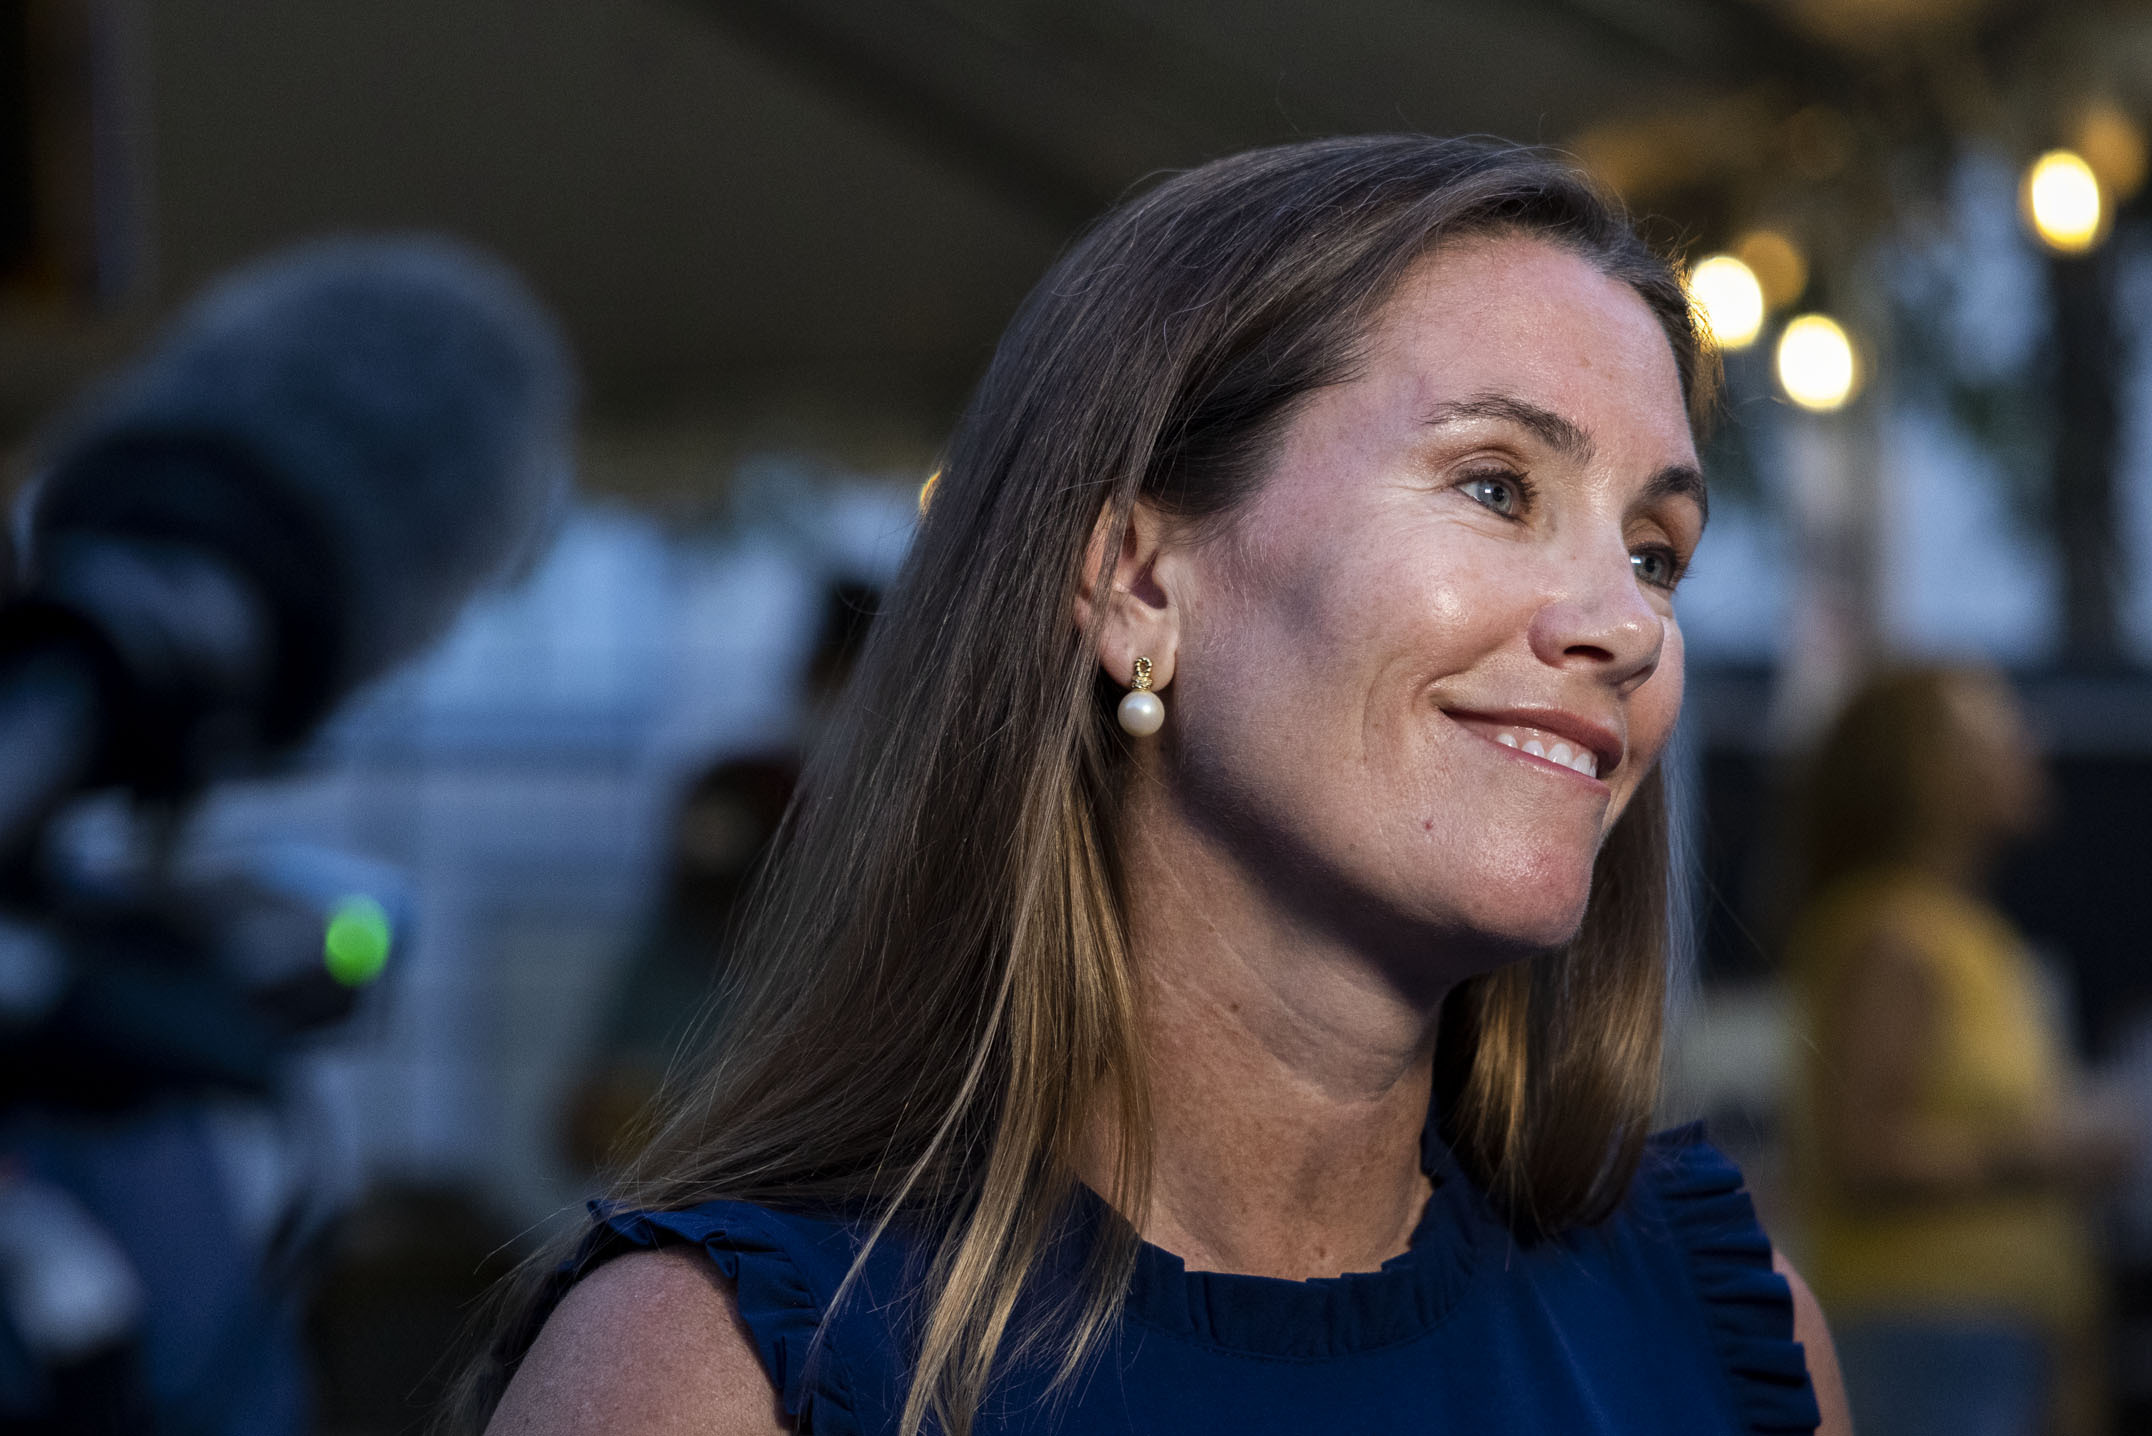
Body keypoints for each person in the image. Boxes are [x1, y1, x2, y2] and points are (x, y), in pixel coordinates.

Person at [452, 135, 1850, 1436]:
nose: (1624, 622)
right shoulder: (719, 1372)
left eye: (1656, 550)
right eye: (1495, 485)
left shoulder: (1726, 1334)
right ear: (1136, 582)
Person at [1785, 665, 2134, 1436]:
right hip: (1926, 1340)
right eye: (1996, 727)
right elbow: (1864, 1155)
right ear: (1925, 770)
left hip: (1990, 1342)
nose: (2027, 744)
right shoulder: (1894, 937)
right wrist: (2055, 1149)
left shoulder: (1967, 936)